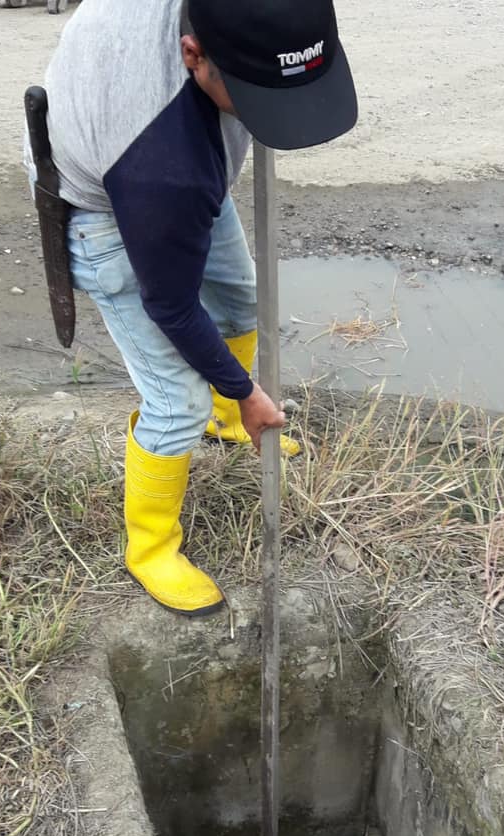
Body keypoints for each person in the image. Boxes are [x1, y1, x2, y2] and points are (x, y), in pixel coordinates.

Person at [29, 0, 357, 616]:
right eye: (256, 97)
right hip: (104, 203)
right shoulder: (164, 169)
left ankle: (228, 421)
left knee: (240, 298)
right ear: (194, 56)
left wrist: (238, 396)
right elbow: (172, 306)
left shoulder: (221, 59)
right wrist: (246, 388)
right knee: (177, 401)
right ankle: (151, 548)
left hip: (165, 146)